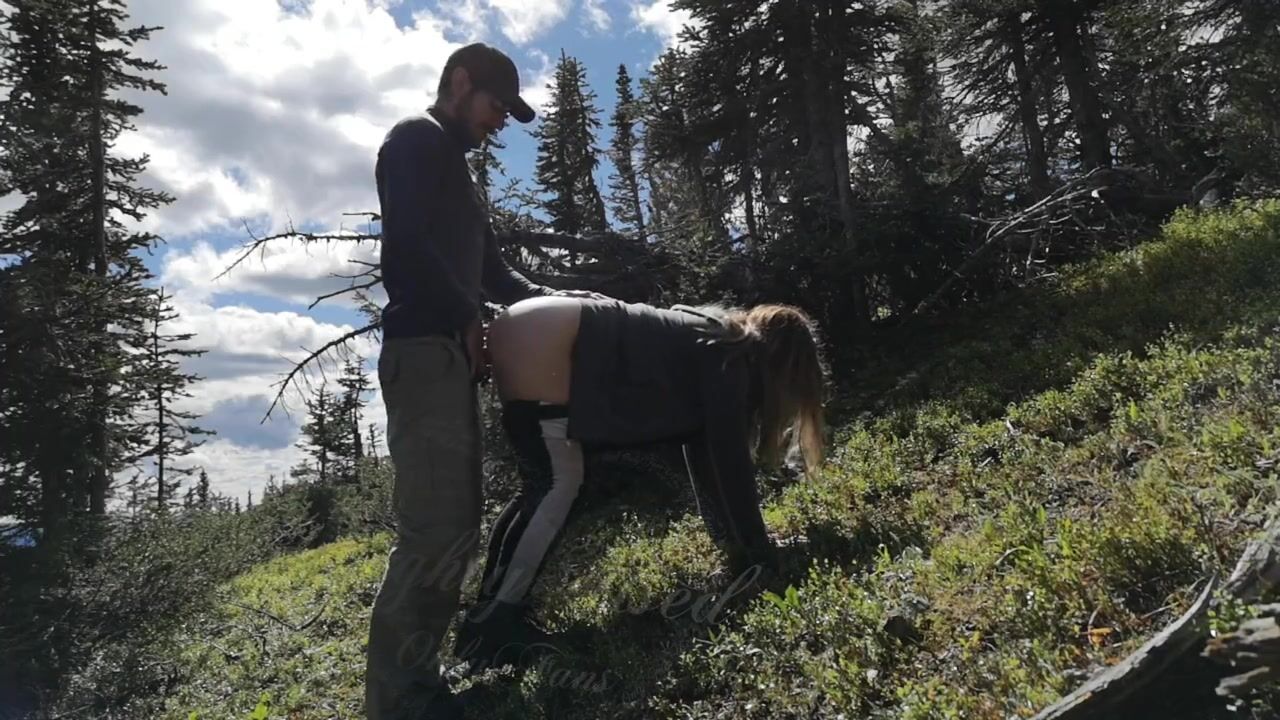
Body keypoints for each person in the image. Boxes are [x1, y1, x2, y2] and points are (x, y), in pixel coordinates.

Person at [365, 43, 597, 720]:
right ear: (460, 84)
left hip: (449, 361)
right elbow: (404, 242)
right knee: (433, 530)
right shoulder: (414, 141)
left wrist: (567, 306)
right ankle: (400, 701)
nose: (500, 122)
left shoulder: (459, 179)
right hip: (424, 353)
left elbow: (499, 278)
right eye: (497, 106)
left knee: (455, 527)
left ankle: (419, 684)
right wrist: (467, 313)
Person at [452, 296, 827, 667]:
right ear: (785, 363)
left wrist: (731, 543)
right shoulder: (732, 356)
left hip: (530, 324)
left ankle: (486, 615)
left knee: (541, 486)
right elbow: (730, 464)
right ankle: (497, 621)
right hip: (553, 336)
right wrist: (760, 553)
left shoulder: (712, 334)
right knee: (559, 484)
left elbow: (704, 459)